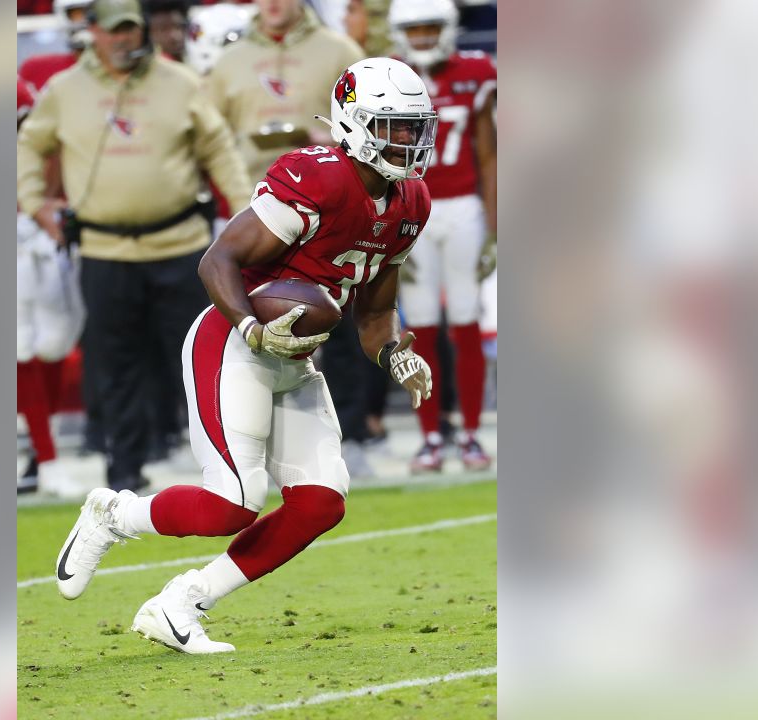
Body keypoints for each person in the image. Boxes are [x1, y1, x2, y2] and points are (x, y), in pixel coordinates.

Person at [53, 57, 436, 654]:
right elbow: (217, 261)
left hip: (296, 356)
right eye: (394, 126)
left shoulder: (411, 201)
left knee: (320, 502)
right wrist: (255, 330)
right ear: (355, 123)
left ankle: (182, 602)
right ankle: (113, 515)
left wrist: (395, 355)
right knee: (232, 503)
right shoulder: (321, 178)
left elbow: (374, 312)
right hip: (235, 339)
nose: (409, 141)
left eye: (415, 127)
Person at [17, 0, 251, 493]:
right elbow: (29, 146)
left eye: (132, 30)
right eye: (115, 31)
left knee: (199, 357)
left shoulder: (179, 82)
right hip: (106, 251)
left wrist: (245, 211)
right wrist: (35, 203)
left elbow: (219, 148)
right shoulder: (64, 90)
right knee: (115, 367)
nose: (125, 40)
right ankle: (123, 471)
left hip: (180, 242)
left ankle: (229, 467)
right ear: (94, 34)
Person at [388, 0, 497, 473]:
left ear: (449, 27)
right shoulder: (388, 78)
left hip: (463, 208)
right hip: (413, 209)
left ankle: (470, 434)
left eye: (432, 27)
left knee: (467, 318)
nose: (425, 37)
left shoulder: (475, 72)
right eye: (415, 29)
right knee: (420, 326)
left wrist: (496, 226)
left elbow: (489, 152)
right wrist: (389, 228)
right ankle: (431, 436)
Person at [207, 0, 364, 184]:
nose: (272, 2)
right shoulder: (228, 60)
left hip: (329, 189)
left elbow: (371, 132)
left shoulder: (342, 52)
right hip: (252, 195)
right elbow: (212, 141)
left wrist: (335, 140)